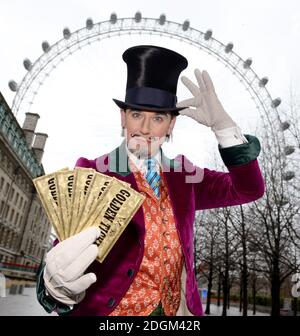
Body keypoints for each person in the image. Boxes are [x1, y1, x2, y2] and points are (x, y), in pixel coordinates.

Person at [36, 45, 265, 316]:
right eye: (136, 115)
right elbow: (64, 255)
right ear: (123, 118)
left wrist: (224, 128)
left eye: (157, 118)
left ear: (170, 125)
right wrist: (52, 285)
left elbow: (249, 189)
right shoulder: (93, 173)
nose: (145, 129)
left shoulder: (186, 178)